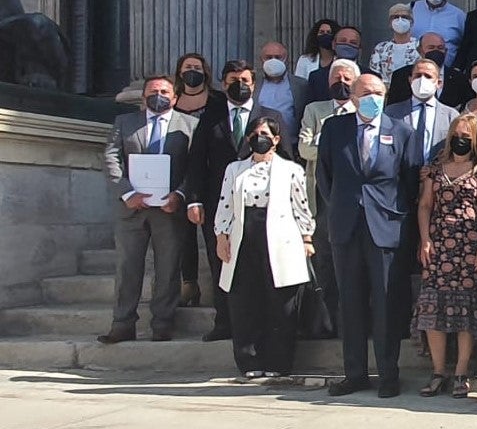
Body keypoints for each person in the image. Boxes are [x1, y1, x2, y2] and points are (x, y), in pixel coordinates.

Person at [317, 74, 424, 398]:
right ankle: (355, 373)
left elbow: (410, 180)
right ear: (352, 95)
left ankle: (388, 373)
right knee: (349, 302)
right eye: (366, 93)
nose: (373, 98)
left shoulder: (402, 131)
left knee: (387, 303)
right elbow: (325, 176)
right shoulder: (335, 129)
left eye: (379, 93)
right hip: (346, 226)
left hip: (387, 227)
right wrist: (342, 206)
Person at [185, 60, 291, 343]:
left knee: (260, 265)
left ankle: (261, 324)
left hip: (263, 207)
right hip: (220, 204)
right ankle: (225, 322)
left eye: (245, 80)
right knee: (222, 263)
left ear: (254, 84)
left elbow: (290, 161)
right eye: (233, 79)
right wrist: (194, 200)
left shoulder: (271, 116)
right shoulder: (211, 117)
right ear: (223, 83)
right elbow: (196, 160)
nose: (240, 85)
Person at [212, 116, 315, 380]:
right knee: (245, 300)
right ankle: (249, 361)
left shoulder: (291, 170)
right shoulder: (235, 169)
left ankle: (278, 362)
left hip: (280, 236)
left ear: (277, 139)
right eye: (256, 133)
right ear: (248, 139)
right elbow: (225, 203)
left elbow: (301, 206)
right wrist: (221, 235)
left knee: (280, 301)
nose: (261, 138)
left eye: (266, 133)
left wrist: (307, 238)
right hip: (244, 235)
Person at [97, 75, 198, 344]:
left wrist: (180, 195)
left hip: (169, 209)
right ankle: (122, 323)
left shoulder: (190, 125)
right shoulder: (125, 122)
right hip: (132, 209)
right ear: (143, 96)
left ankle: (163, 322)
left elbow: (196, 167)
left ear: (175, 97)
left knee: (168, 268)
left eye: (165, 91)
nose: (159, 95)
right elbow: (111, 158)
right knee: (128, 267)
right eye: (153, 91)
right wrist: (127, 193)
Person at [414, 114, 477, 400]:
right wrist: (425, 239)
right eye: (456, 134)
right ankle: (439, 372)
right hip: (438, 246)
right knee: (433, 307)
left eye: (466, 135)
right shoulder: (435, 169)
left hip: (470, 247)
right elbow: (425, 206)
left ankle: (462, 372)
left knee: (466, 311)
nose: (460, 139)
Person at [296, 58, 361, 324]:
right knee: (324, 260)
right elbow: (304, 149)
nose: (341, 83)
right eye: (336, 78)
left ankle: (351, 320)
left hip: (354, 200)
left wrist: (325, 149)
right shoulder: (315, 110)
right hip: (321, 200)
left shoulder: (363, 110)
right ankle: (325, 321)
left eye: (347, 79)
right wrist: (336, 151)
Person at [386, 59, 460, 161]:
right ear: (410, 80)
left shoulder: (451, 116)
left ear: (439, 83)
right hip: (401, 175)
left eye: (428, 76)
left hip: (435, 174)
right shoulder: (391, 113)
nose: (422, 80)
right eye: (418, 76)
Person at [253, 42, 306, 145]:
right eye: (268, 57)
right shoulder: (254, 85)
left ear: (286, 59)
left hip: (291, 144)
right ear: (261, 60)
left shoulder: (300, 85)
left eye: (278, 57)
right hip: (260, 142)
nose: (273, 61)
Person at [410, 0, 464, 68]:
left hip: (447, 72)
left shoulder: (459, 15)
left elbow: (465, 45)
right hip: (414, 70)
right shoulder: (411, 10)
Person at [307, 26, 363, 104]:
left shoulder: (370, 75)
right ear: (333, 44)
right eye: (343, 41)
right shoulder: (316, 77)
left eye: (353, 43)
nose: (347, 45)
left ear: (359, 48)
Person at [372, 3, 421, 85]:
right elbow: (374, 74)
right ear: (390, 23)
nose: (400, 20)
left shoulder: (419, 46)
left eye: (405, 17)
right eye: (395, 17)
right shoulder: (381, 48)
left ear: (411, 22)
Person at [173, 52, 224, 117]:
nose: (192, 70)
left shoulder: (219, 99)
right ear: (180, 73)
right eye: (188, 67)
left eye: (197, 68)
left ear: (204, 73)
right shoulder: (172, 98)